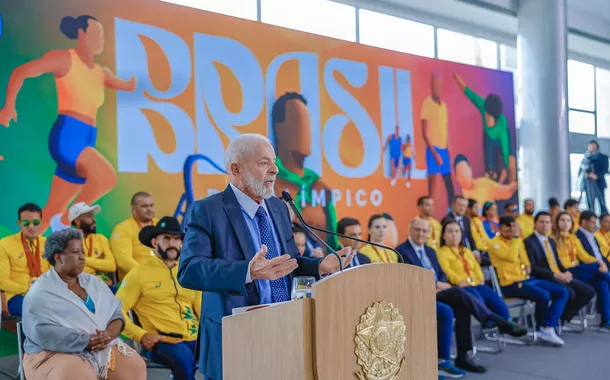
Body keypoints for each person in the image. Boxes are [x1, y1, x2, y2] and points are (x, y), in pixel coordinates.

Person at [178, 133, 353, 379]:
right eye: (264, 163)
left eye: (273, 162)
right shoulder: (207, 210)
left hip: (285, 327)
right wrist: (248, 272)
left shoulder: (279, 207)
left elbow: (287, 263)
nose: (275, 170)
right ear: (236, 169)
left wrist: (319, 266)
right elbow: (189, 270)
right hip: (236, 335)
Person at [0, 16, 136, 233]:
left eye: (102, 35)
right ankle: (65, 223)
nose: (100, 39)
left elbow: (126, 85)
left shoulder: (102, 73)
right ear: (81, 34)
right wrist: (8, 107)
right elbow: (22, 71)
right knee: (106, 177)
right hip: (68, 137)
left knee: (50, 211)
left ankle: (24, 253)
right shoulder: (65, 59)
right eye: (96, 34)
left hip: (85, 138)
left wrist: (135, 84)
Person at [397, 218, 525, 375]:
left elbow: (441, 274)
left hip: (440, 291)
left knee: (463, 305)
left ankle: (463, 357)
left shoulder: (429, 250)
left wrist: (440, 284)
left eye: (425, 231)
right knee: (458, 293)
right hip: (421, 294)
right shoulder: (402, 251)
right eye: (417, 230)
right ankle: (495, 320)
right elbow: (408, 279)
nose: (421, 234)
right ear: (410, 230)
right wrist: (435, 285)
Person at [21, 229, 146, 380]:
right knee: (76, 375)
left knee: (134, 365)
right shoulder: (40, 292)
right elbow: (43, 332)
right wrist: (86, 341)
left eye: (82, 251)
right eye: (75, 252)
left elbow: (117, 313)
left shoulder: (94, 283)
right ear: (58, 258)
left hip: (102, 345)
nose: (82, 257)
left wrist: (109, 335)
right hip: (53, 352)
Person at [117, 216, 202, 380]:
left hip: (194, 338)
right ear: (155, 242)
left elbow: (202, 310)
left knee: (227, 355)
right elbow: (114, 311)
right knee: (184, 362)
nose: (173, 243)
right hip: (162, 341)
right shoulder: (138, 274)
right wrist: (141, 335)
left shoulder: (187, 272)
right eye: (167, 238)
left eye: (177, 239)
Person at [271, 92, 338, 250]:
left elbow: (334, 245)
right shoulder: (269, 181)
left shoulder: (321, 187)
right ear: (279, 129)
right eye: (299, 123)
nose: (307, 131)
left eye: (308, 124)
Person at [488, 216, 569, 346]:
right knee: (543, 295)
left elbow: (525, 260)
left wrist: (526, 263)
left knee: (562, 292)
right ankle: (543, 327)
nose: (510, 229)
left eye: (513, 226)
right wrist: (515, 238)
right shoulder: (494, 243)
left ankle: (548, 326)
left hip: (525, 279)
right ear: (500, 227)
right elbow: (512, 256)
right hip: (509, 284)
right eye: (507, 227)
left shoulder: (518, 241)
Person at [436, 220, 520, 330]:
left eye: (457, 231)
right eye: (450, 232)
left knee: (492, 295)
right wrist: (460, 281)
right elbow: (446, 271)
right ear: (444, 236)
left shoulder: (466, 251)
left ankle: (507, 320)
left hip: (476, 283)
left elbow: (476, 268)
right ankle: (487, 321)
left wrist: (480, 278)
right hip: (460, 286)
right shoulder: (441, 253)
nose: (454, 235)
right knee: (473, 292)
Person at [524, 212, 595, 326]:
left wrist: (566, 272)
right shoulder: (529, 242)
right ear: (535, 224)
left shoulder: (550, 241)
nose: (545, 225)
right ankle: (550, 322)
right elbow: (533, 268)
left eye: (547, 222)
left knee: (588, 291)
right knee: (569, 292)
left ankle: (562, 316)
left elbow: (557, 262)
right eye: (541, 222)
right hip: (545, 277)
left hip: (559, 274)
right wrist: (556, 275)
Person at [453, 73, 516, 184]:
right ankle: (491, 175)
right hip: (488, 137)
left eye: (488, 116)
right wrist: (455, 75)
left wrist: (500, 182)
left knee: (508, 163)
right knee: (490, 166)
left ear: (495, 117)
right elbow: (467, 91)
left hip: (499, 139)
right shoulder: (483, 106)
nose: (485, 116)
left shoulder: (502, 128)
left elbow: (506, 158)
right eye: (485, 114)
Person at [555, 211, 610, 332]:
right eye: (562, 220)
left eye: (568, 221)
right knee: (598, 270)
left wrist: (600, 263)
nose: (565, 223)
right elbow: (555, 261)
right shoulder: (553, 238)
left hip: (576, 271)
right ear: (557, 222)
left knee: (602, 284)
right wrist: (598, 264)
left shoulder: (573, 238)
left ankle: (606, 322)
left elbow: (584, 256)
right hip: (562, 272)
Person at [0, 203, 49, 316]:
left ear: (41, 222)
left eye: (35, 222)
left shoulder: (48, 243)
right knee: (40, 312)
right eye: (26, 223)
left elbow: (56, 274)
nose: (31, 227)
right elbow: (2, 281)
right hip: (18, 296)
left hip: (46, 294)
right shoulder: (4, 244)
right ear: (19, 223)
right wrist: (27, 288)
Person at [422, 74, 455, 206]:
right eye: (434, 85)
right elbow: (424, 132)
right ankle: (428, 216)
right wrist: (435, 154)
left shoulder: (444, 106)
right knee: (432, 188)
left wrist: (448, 149)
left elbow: (445, 129)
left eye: (438, 85)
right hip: (432, 149)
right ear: (431, 86)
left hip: (444, 149)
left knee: (449, 184)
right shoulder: (427, 103)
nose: (436, 88)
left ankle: (451, 211)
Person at [111, 192, 159, 280]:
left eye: (151, 205)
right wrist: (147, 274)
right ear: (134, 209)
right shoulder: (123, 229)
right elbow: (124, 261)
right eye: (144, 206)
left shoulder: (160, 224)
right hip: (137, 280)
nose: (149, 209)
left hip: (162, 277)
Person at [69, 202, 116, 288]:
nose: (94, 219)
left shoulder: (100, 238)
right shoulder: (68, 241)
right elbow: (74, 270)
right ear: (77, 221)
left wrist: (83, 260)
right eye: (89, 216)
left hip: (104, 287)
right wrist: (99, 263)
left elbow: (112, 266)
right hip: (80, 289)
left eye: (93, 216)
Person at [453, 154, 518, 207]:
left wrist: (515, 182)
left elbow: (507, 191)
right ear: (457, 178)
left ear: (470, 170)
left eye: (465, 171)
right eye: (461, 173)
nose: (464, 176)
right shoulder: (458, 198)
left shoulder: (484, 183)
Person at [579, 140, 609, 213]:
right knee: (590, 202)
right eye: (590, 146)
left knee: (601, 202)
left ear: (597, 147)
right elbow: (582, 168)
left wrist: (596, 176)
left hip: (599, 183)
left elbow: (605, 169)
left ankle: (605, 218)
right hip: (588, 183)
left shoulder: (603, 157)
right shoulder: (586, 157)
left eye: (593, 146)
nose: (592, 148)